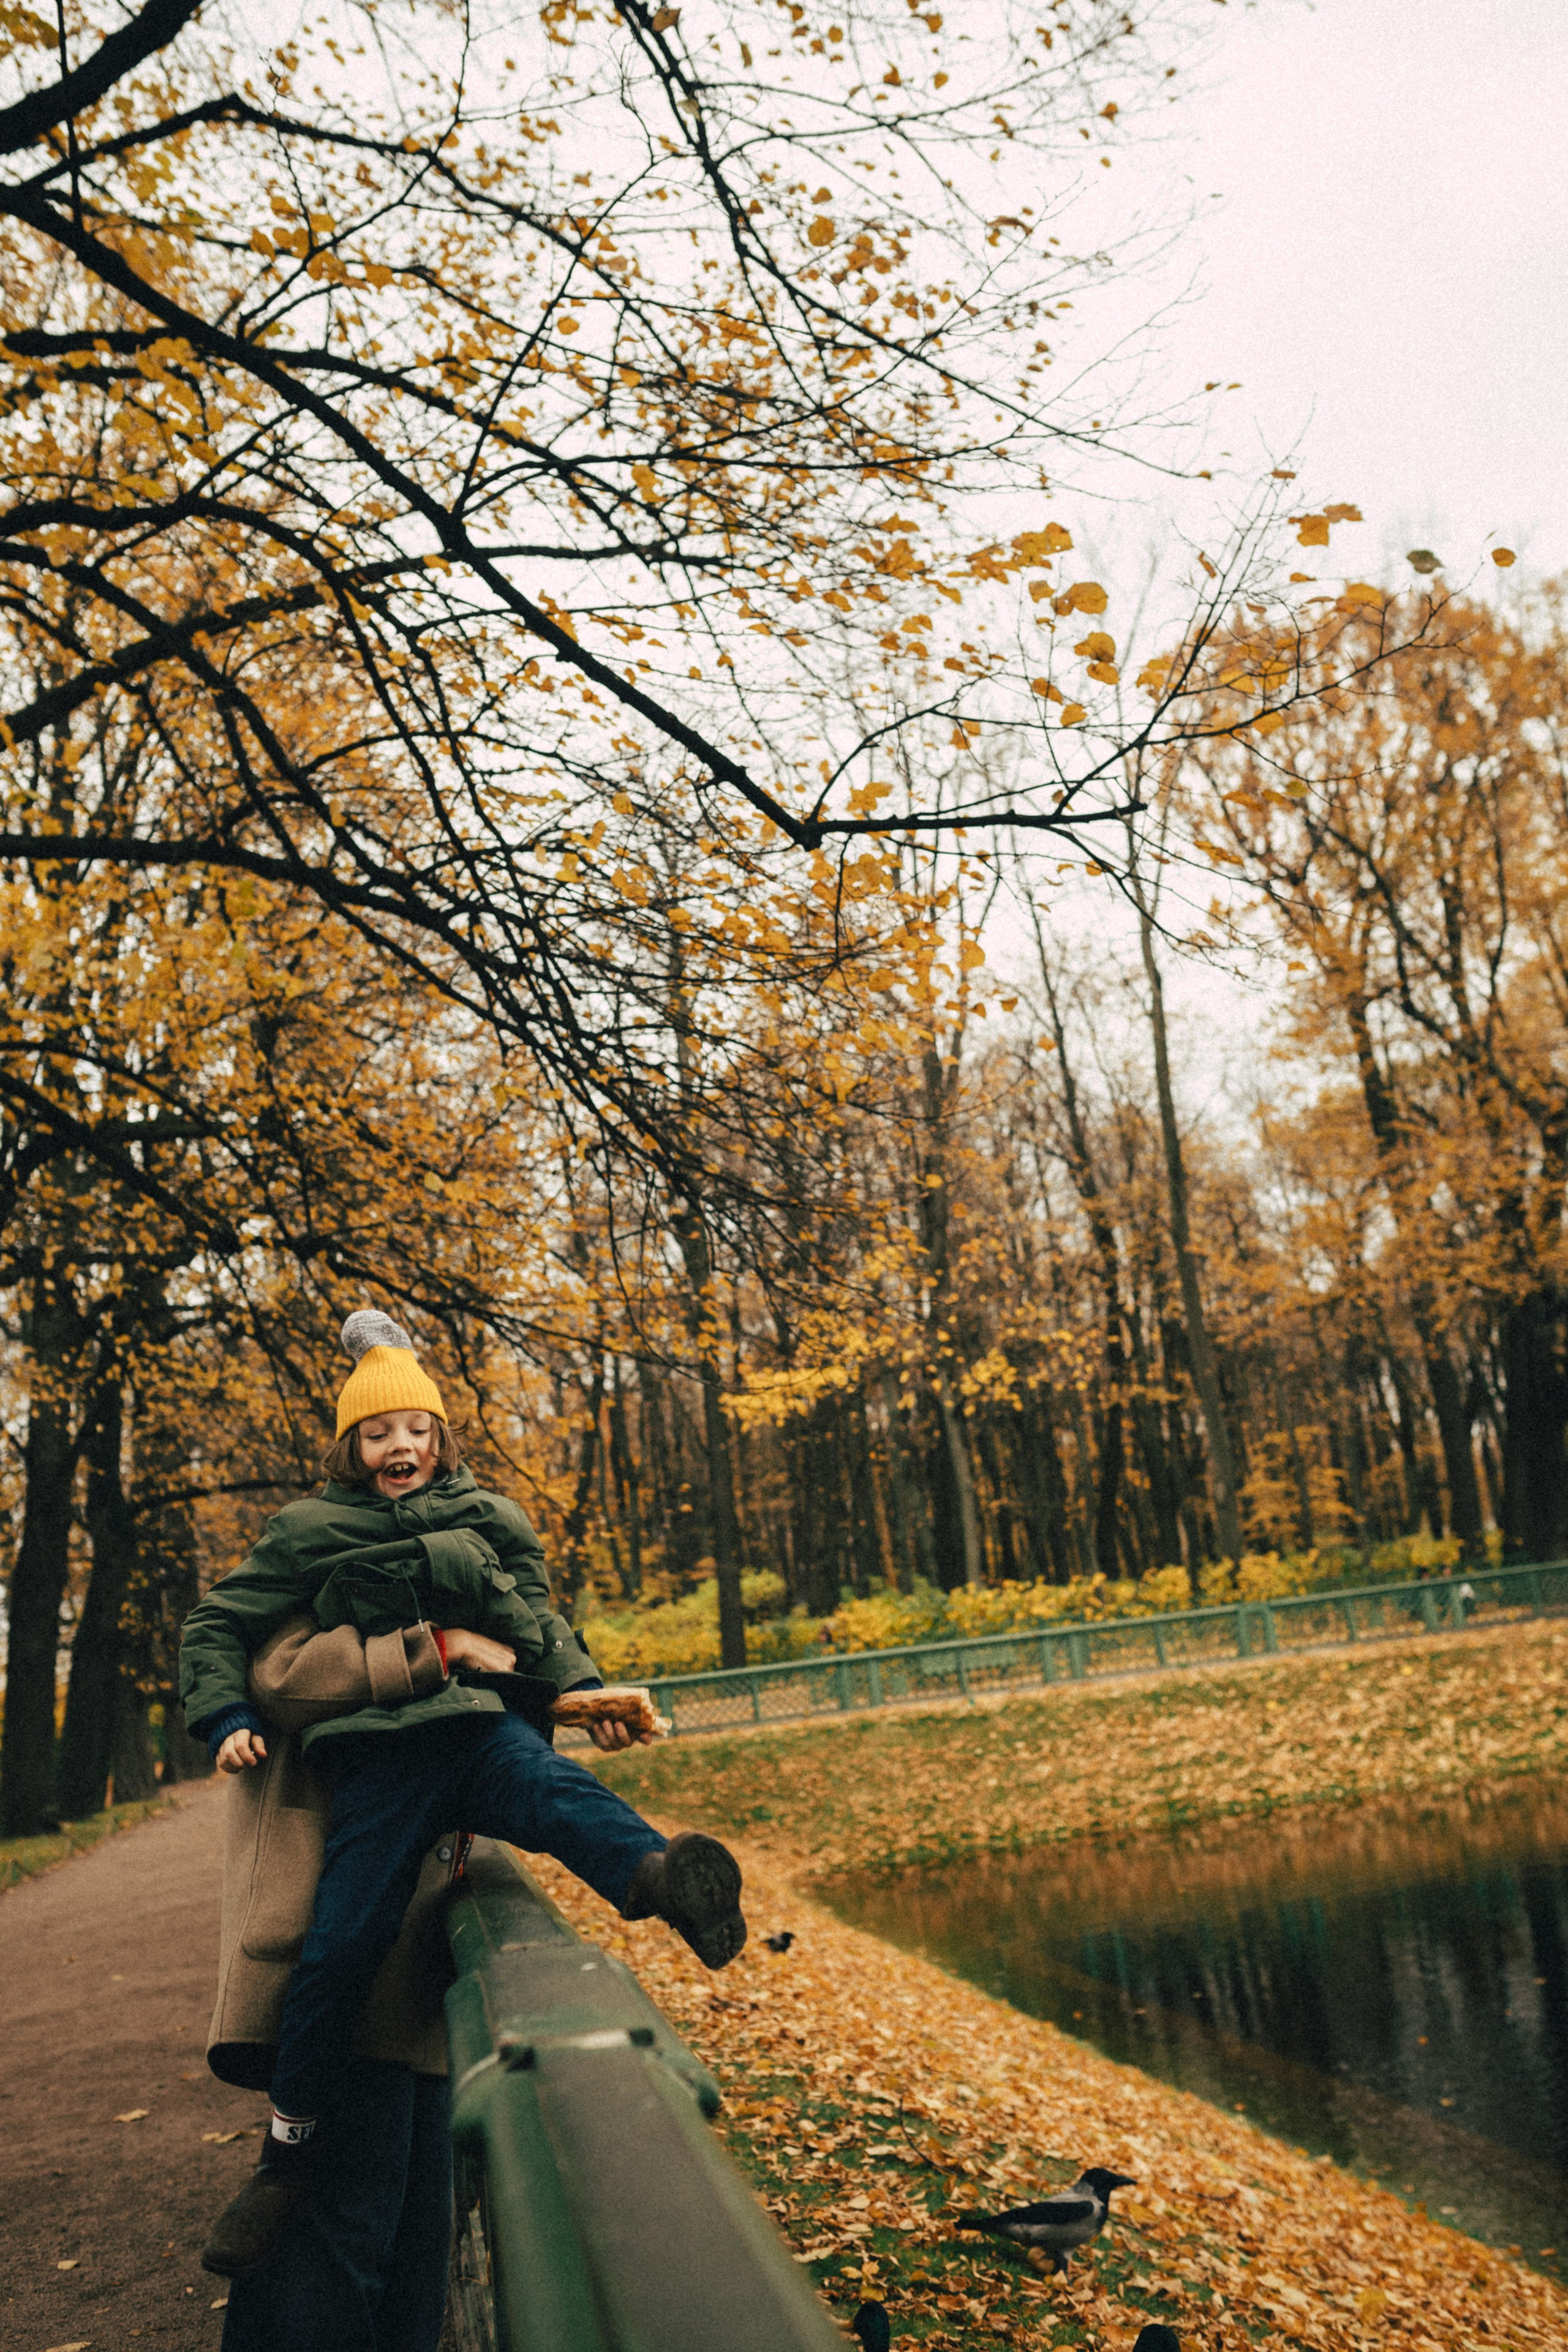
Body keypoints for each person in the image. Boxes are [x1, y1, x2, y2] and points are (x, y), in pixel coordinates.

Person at [181, 1308, 747, 2280]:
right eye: (378, 1433)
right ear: (352, 1450)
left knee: (555, 1793)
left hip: (479, 1732)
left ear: (441, 1438)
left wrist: (579, 1690)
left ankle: (664, 1880)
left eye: (416, 1430)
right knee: (341, 1943)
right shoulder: (309, 1530)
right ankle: (286, 2154)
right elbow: (217, 1624)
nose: (400, 1446)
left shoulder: (487, 1517)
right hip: (379, 1762)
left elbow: (534, 1616)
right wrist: (226, 1714)